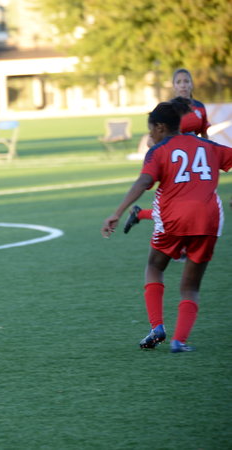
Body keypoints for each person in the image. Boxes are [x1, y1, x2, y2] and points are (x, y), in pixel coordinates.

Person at [101, 99, 232, 353]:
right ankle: (178, 341)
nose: (150, 135)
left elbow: (143, 182)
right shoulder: (208, 146)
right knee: (190, 286)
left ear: (160, 127)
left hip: (173, 219)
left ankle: (157, 327)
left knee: (154, 266)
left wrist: (117, 212)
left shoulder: (159, 151)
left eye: (150, 129)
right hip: (208, 219)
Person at [125, 69, 211, 233]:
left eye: (186, 81)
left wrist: (209, 157)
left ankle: (139, 214)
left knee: (191, 206)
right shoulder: (168, 109)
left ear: (192, 84)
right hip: (177, 163)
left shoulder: (200, 107)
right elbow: (152, 140)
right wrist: (164, 156)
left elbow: (204, 135)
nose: (183, 85)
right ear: (173, 86)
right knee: (181, 208)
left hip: (195, 164)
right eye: (179, 82)